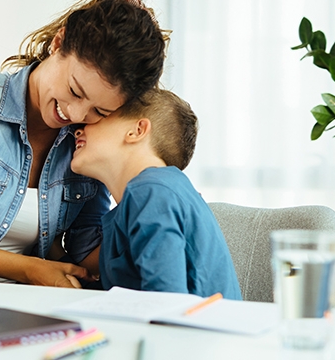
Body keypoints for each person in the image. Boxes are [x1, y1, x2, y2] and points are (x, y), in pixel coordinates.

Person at [0, 0, 170, 288]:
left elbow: (84, 247)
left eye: (99, 109)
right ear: (59, 43)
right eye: (74, 91)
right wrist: (30, 269)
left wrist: (150, 210)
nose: (75, 113)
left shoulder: (85, 143)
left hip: (24, 305)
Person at [70, 88, 242, 298]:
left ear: (137, 131)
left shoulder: (151, 192)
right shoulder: (153, 193)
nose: (78, 129)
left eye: (100, 115)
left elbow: (165, 302)